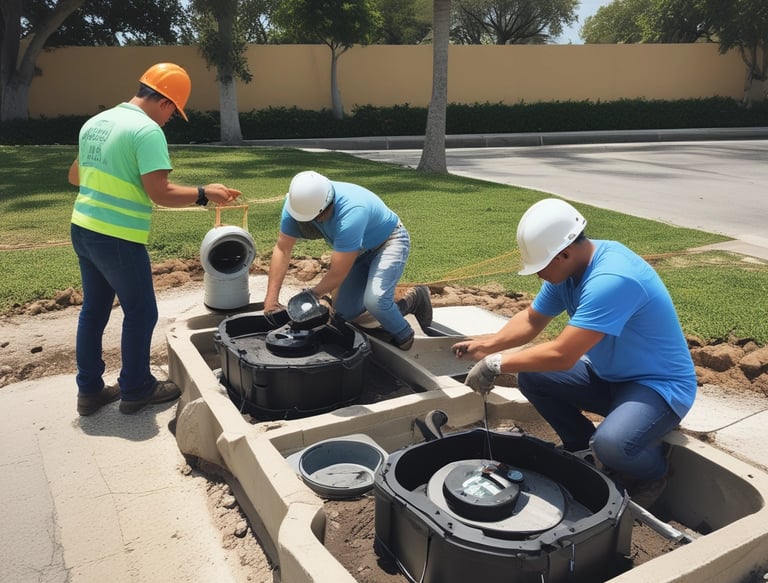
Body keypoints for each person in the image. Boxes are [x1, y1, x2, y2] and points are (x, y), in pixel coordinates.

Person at [452, 198, 697, 507]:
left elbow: (563, 354)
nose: (539, 275)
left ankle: (653, 470)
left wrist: (496, 363)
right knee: (533, 377)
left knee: (613, 444)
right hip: (609, 375)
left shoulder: (612, 279)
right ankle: (583, 449)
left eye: (540, 267)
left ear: (563, 254)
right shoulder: (568, 270)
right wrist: (487, 345)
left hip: (659, 387)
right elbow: (532, 319)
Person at [68, 62, 241, 416]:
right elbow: (160, 192)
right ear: (165, 103)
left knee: (94, 310)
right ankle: (136, 389)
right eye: (173, 114)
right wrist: (205, 192)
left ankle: (89, 392)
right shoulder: (147, 131)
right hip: (117, 236)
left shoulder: (96, 123)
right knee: (141, 311)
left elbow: (75, 176)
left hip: (83, 227)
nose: (169, 120)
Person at [263, 170, 432, 349]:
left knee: (376, 302)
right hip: (358, 252)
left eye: (317, 217)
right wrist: (271, 301)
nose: (315, 222)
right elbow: (282, 248)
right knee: (345, 313)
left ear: (329, 203)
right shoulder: (296, 206)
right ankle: (399, 309)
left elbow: (338, 272)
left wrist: (311, 295)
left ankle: (405, 335)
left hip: (389, 242)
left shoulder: (352, 211)